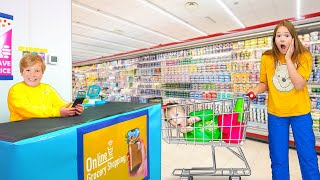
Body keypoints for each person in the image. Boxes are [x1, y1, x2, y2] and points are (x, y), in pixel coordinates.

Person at [248, 20, 320, 180]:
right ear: (274, 39)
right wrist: (254, 90)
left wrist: (288, 59)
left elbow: (299, 84)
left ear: (293, 38)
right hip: (276, 114)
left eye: (286, 35)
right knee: (278, 158)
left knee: (308, 156)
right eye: (278, 36)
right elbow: (264, 83)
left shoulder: (304, 56)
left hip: (301, 113)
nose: (282, 39)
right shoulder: (267, 58)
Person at [7, 53, 84, 121]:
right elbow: (28, 110)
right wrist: (57, 112)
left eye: (37, 71)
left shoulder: (47, 88)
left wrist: (74, 108)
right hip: (21, 133)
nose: (32, 74)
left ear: (42, 73)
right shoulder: (15, 90)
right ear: (21, 72)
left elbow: (61, 104)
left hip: (44, 131)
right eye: (28, 70)